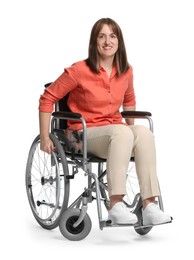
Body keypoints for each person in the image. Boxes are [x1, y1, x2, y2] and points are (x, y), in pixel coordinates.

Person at [39, 17, 171, 225]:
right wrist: (45, 136)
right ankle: (116, 205)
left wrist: (133, 136)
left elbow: (129, 101)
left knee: (143, 133)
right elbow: (47, 98)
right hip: (80, 134)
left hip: (114, 133)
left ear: (119, 41)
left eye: (112, 36)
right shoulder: (79, 70)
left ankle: (150, 205)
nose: (107, 41)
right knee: (121, 132)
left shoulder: (126, 70)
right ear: (94, 42)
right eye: (101, 36)